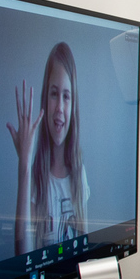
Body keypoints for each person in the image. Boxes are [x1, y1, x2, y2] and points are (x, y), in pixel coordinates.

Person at [7, 42, 89, 255]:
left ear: (73, 106)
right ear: (45, 99)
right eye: (54, 94)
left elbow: (85, 249)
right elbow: (21, 255)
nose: (60, 108)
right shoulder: (35, 178)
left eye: (66, 96)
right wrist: (24, 163)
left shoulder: (79, 174)